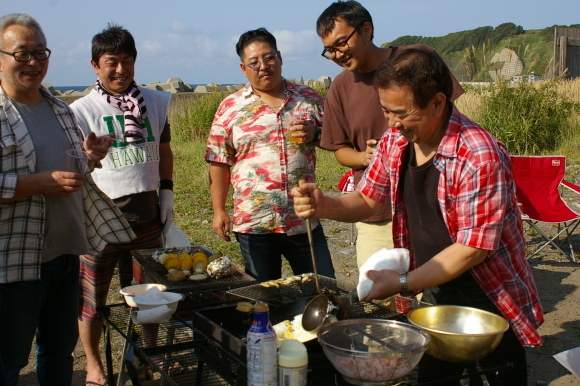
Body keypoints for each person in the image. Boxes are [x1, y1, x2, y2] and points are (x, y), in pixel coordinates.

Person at [292, 48, 543, 385]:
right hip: (436, 283)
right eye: (385, 111)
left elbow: (473, 248)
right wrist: (325, 204)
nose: (391, 123)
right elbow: (367, 199)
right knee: (435, 377)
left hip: (489, 291)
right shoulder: (395, 141)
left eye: (400, 113)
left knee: (501, 374)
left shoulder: (477, 155)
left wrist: (402, 283)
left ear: (438, 102)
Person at [0, 14, 134, 386]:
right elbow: (46, 180)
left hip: (66, 255)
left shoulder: (58, 108)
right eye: (21, 54)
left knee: (58, 352)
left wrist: (91, 156)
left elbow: (71, 175)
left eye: (40, 53)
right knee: (9, 361)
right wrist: (35, 184)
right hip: (14, 264)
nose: (33, 62)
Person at [315, 0, 464, 267]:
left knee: (435, 293)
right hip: (377, 208)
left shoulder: (416, 59)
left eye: (341, 43)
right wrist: (365, 157)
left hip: (432, 204)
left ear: (366, 29)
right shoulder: (339, 87)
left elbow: (451, 120)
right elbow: (339, 148)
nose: (337, 54)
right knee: (376, 294)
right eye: (329, 50)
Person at [70, 24, 174, 386]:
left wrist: (168, 193)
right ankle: (96, 367)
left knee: (149, 297)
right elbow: (74, 163)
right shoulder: (82, 110)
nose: (120, 70)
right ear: (95, 65)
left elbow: (164, 151)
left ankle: (146, 356)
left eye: (126, 61)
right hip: (98, 223)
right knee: (92, 300)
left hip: (146, 220)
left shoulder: (156, 102)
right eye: (111, 62)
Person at [205, 28, 334, 282]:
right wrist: (218, 210)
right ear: (244, 68)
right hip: (255, 223)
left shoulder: (307, 98)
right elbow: (219, 160)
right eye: (254, 62)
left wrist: (316, 133)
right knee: (264, 298)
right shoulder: (230, 107)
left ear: (280, 57)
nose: (263, 66)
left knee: (324, 289)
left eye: (269, 57)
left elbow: (336, 140)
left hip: (303, 218)